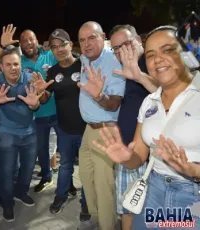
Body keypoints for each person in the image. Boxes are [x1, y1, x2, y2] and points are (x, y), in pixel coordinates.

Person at [93, 25, 200, 230]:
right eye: (151, 55)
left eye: (167, 50)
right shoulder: (150, 102)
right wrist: (126, 157)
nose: (157, 59)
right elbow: (139, 157)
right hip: (153, 192)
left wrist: (193, 170)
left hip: (192, 199)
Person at [32, 28, 89, 219]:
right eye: (54, 47)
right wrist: (41, 92)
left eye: (62, 44)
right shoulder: (53, 71)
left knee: (87, 170)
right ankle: (60, 197)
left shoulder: (84, 64)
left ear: (70, 45)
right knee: (65, 166)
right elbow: (46, 98)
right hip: (64, 129)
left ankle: (86, 203)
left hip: (87, 129)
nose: (59, 49)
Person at [77, 21, 126, 230]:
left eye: (92, 38)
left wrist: (98, 96)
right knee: (86, 179)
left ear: (103, 37)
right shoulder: (85, 59)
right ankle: (101, 221)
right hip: (89, 129)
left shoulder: (113, 62)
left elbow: (114, 102)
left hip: (106, 131)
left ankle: (108, 226)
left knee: (104, 186)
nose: (86, 44)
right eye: (82, 40)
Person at [0, 48, 41, 222]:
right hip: (7, 134)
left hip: (29, 132)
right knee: (7, 172)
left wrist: (34, 105)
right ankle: (7, 203)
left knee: (28, 169)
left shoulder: (29, 79)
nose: (13, 68)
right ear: (1, 67)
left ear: (21, 65)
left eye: (16, 64)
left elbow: (36, 103)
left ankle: (21, 192)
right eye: (8, 64)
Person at [109, 24, 155, 230]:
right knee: (127, 208)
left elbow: (170, 94)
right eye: (116, 47)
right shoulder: (118, 70)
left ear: (138, 40)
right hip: (128, 151)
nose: (122, 51)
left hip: (158, 158)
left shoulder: (155, 63)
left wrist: (139, 76)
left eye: (126, 44)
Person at [20, 29, 59, 192]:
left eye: (31, 39)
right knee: (41, 148)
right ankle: (46, 176)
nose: (29, 43)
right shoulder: (19, 62)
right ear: (20, 45)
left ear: (37, 41)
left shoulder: (50, 55)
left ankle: (68, 181)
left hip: (58, 111)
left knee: (65, 147)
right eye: (24, 40)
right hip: (36, 115)